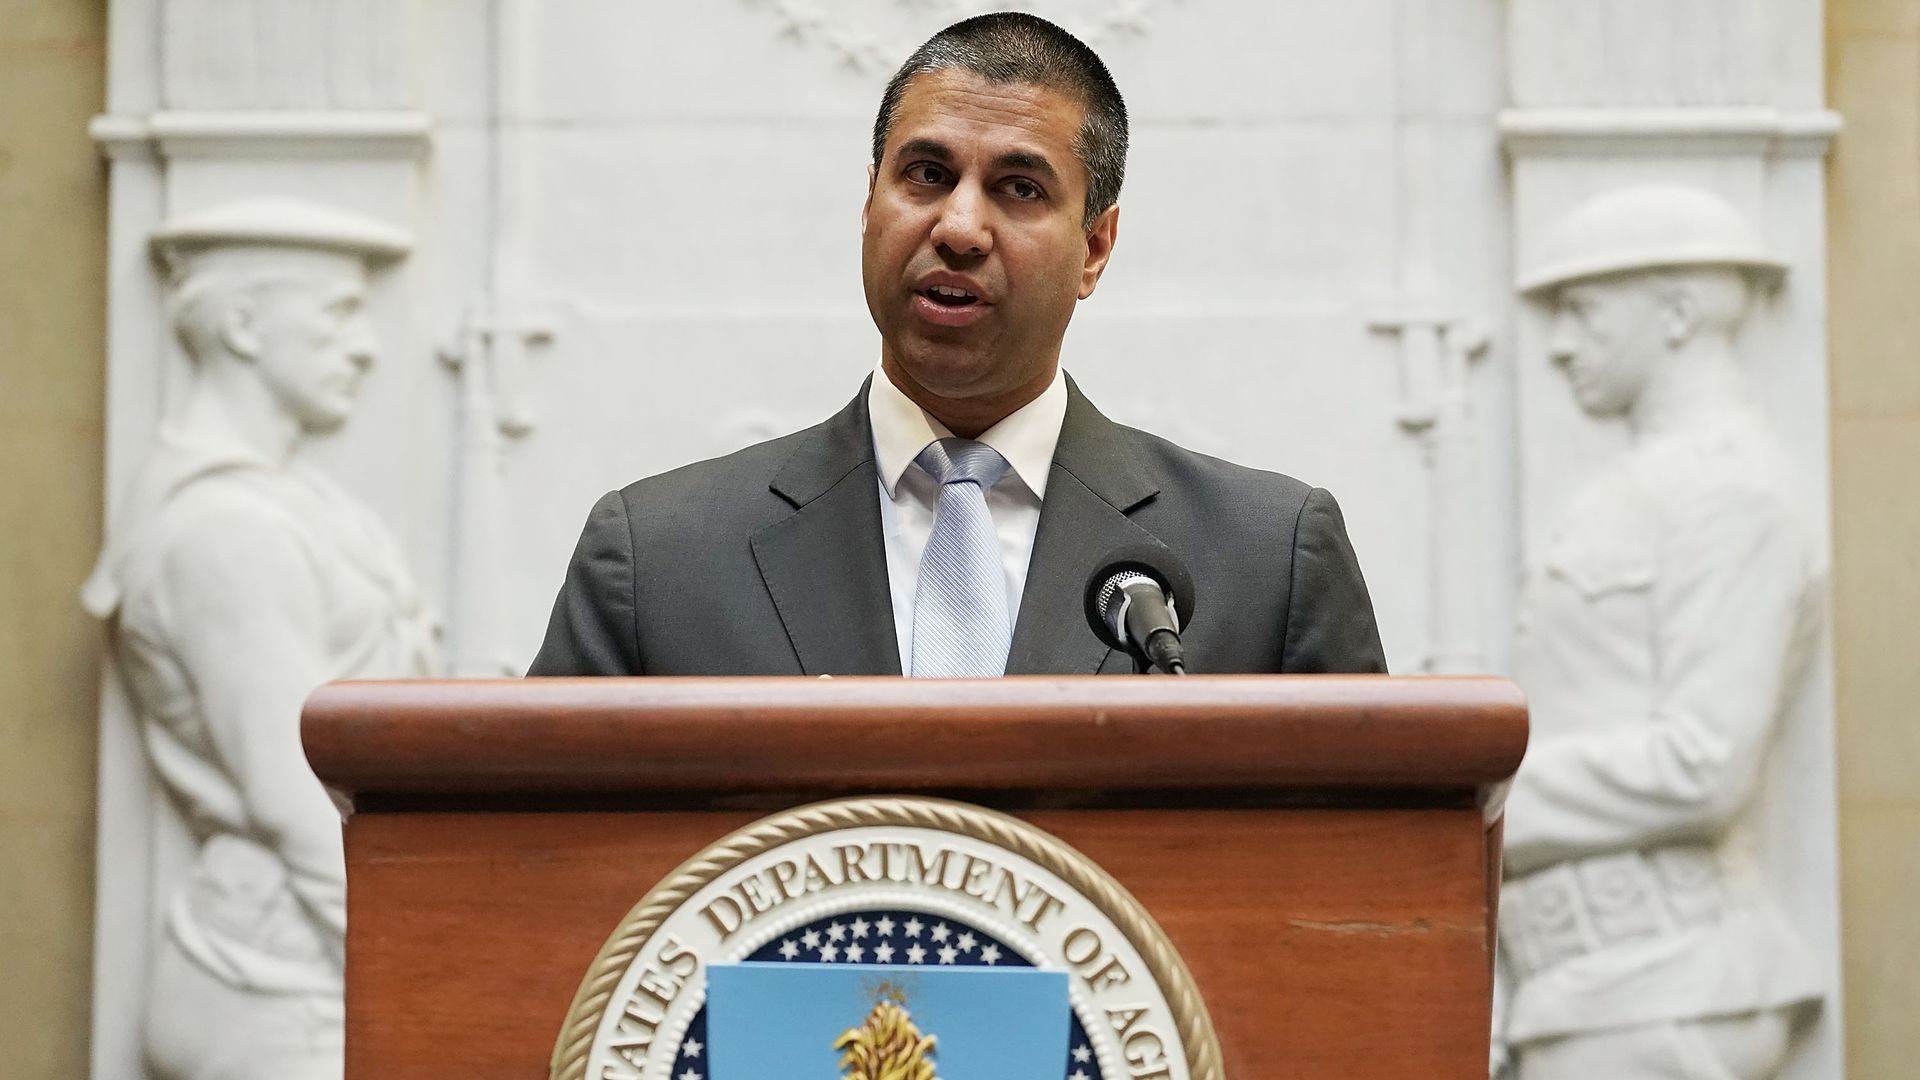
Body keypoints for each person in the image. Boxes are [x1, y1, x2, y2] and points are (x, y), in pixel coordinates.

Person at [530, 13, 1385, 678]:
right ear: (870, 205)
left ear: (1095, 248)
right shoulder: (660, 560)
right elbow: (527, 877)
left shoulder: (1265, 559)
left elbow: (1374, 889)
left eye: (1018, 188)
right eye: (927, 176)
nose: (960, 226)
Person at [83, 198, 438, 1080]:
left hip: (313, 962)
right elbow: (298, 795)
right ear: (242, 324)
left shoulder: (297, 504)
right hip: (287, 987)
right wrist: (427, 970)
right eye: (338, 313)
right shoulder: (222, 530)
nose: (366, 345)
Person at [1496, 185, 1824, 1080]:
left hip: (1665, 986)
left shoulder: (1733, 494)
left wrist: (1474, 788)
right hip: (1593, 987)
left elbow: (1705, 764)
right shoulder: (1643, 490)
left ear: (1679, 312)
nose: (1560, 343)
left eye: (1584, 311)